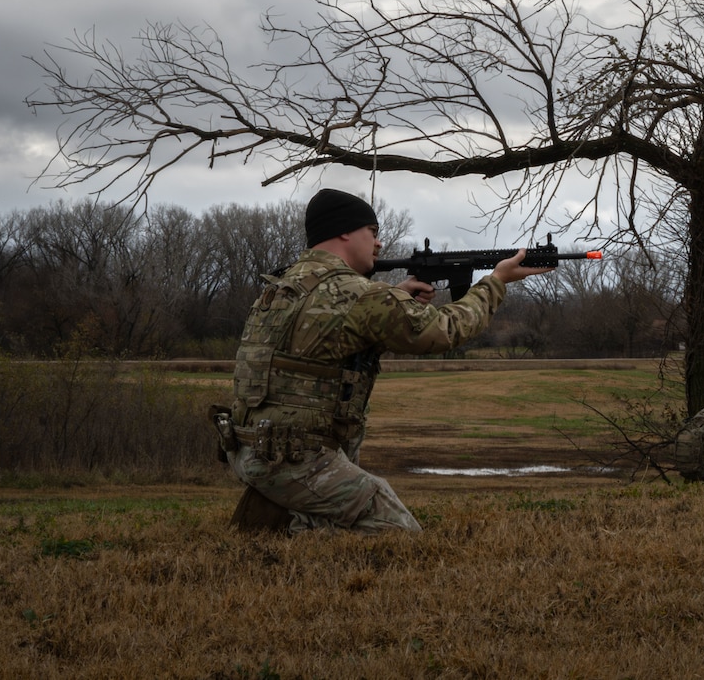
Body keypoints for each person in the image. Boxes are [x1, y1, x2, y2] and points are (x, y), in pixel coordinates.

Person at [215, 187, 550, 532]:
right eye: (372, 233)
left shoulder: (284, 285)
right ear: (344, 231)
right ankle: (294, 526)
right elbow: (445, 330)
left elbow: (325, 338)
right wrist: (495, 282)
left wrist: (395, 298)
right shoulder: (358, 295)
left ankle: (278, 511)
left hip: (247, 449)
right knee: (399, 534)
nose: (378, 244)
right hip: (295, 459)